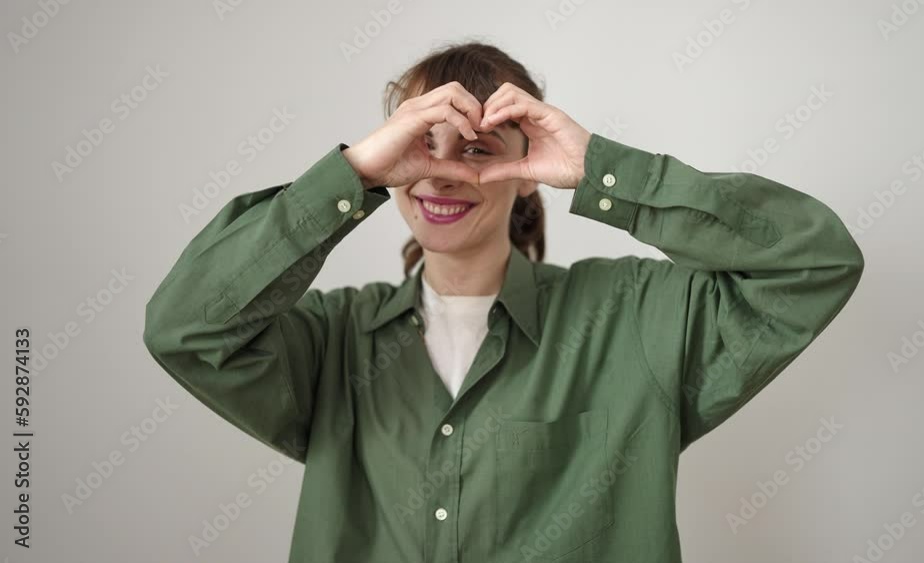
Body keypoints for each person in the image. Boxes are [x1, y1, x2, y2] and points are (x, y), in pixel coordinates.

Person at [143, 41, 864, 562]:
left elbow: (814, 262)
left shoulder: (633, 317)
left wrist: (600, 172)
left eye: (481, 149)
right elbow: (185, 327)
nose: (443, 174)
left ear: (529, 174)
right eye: (421, 145)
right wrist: (354, 172)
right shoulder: (333, 341)